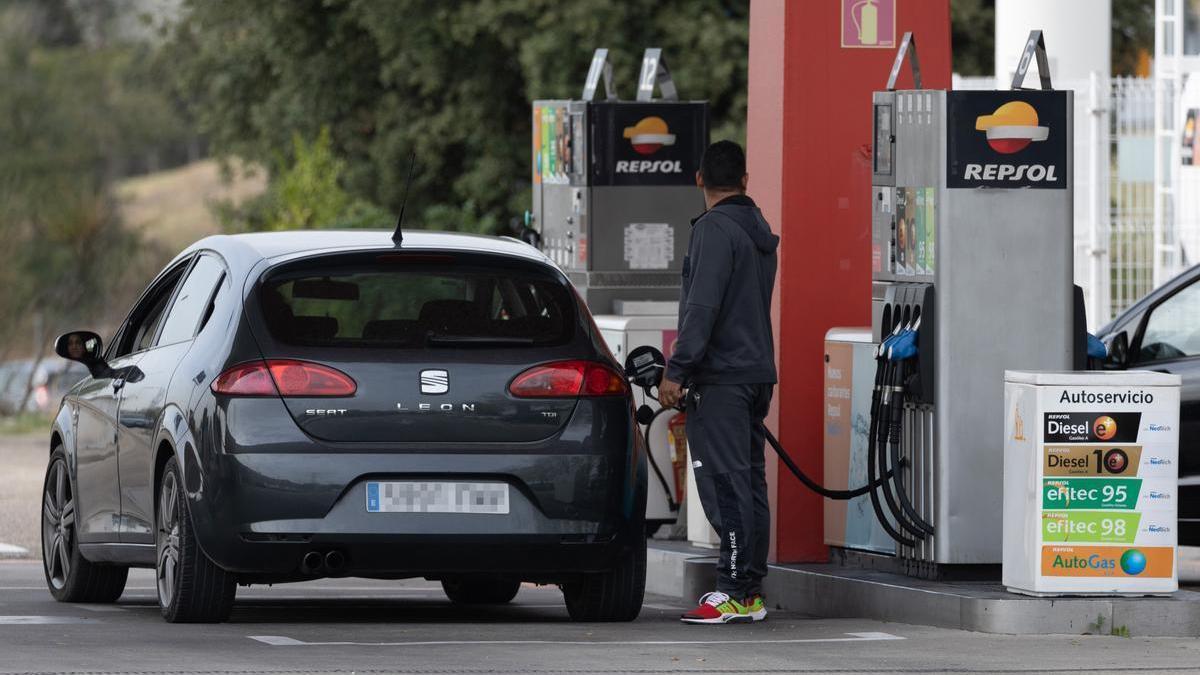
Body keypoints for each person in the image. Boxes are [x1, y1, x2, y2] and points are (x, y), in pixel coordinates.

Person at [659, 140, 779, 624]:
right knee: (749, 482)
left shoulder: (713, 230)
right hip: (754, 373)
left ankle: (731, 590)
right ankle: (748, 591)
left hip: (722, 378)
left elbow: (702, 308)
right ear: (745, 180)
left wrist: (677, 370)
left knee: (725, 484)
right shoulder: (758, 229)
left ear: (699, 180)